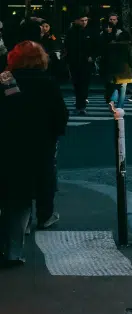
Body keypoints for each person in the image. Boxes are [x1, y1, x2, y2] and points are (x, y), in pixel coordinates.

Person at [1, 41, 70, 266]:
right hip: (36, 147)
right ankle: (13, 251)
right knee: (19, 198)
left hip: (5, 144)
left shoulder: (4, 80)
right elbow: (60, 117)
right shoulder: (47, 83)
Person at [64, 14, 93, 115]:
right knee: (77, 84)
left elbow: (94, 45)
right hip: (75, 62)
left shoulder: (89, 31)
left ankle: (81, 105)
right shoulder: (71, 32)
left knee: (84, 84)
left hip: (85, 62)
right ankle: (80, 105)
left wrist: (91, 56)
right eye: (82, 20)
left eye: (86, 20)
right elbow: (68, 46)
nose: (84, 22)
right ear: (77, 21)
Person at [102, 23, 132, 109]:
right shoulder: (129, 46)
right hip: (125, 70)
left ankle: (112, 101)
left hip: (112, 69)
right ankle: (120, 108)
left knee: (115, 87)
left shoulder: (112, 45)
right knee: (122, 89)